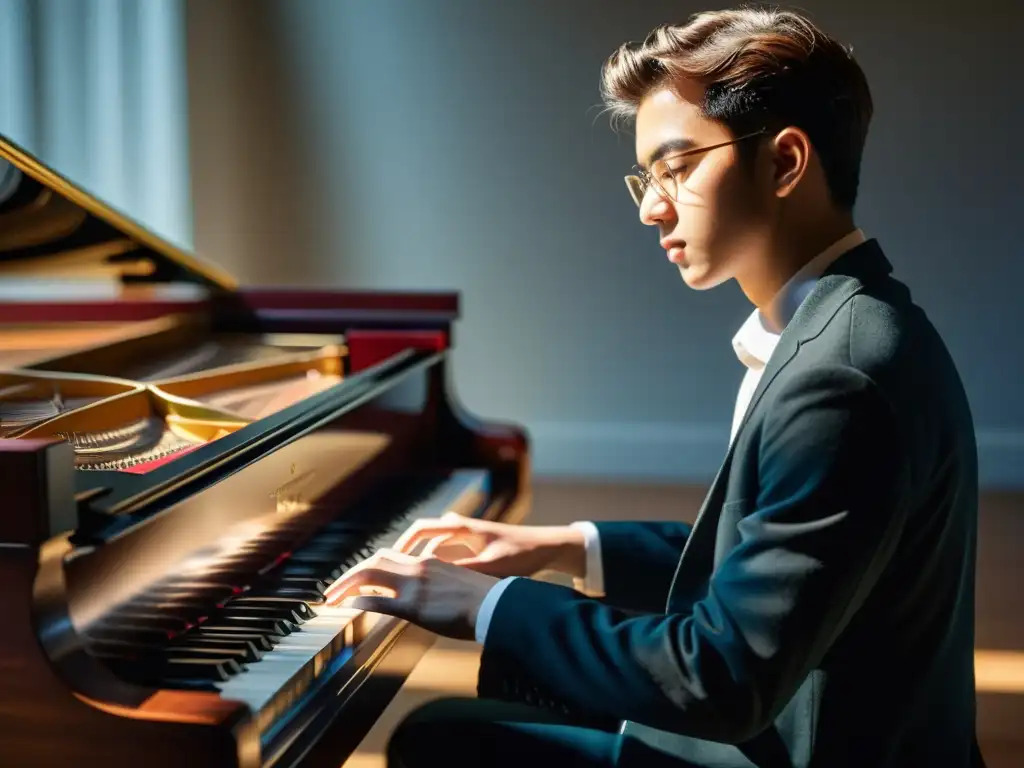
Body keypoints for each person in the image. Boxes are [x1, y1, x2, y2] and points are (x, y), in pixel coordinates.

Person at [325, 7, 983, 767]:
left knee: (437, 739)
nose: (649, 207)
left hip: (801, 745)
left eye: (676, 167)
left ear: (785, 162)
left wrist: (482, 604)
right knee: (509, 685)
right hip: (808, 721)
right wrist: (563, 547)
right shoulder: (847, 326)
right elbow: (777, 550)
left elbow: (723, 680)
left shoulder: (841, 376)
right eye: (647, 176)